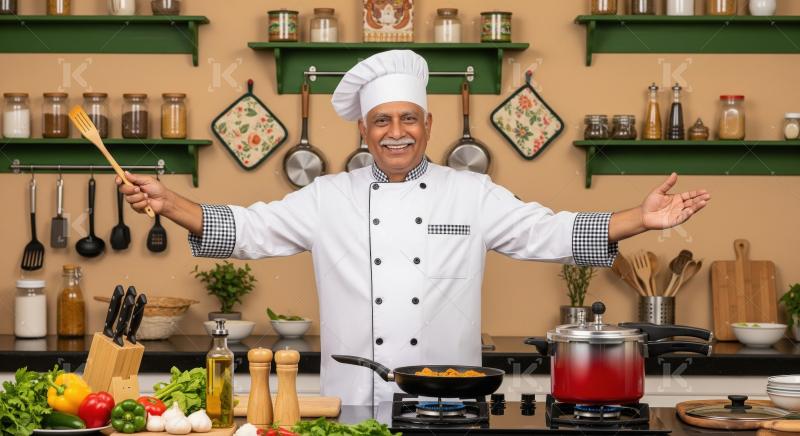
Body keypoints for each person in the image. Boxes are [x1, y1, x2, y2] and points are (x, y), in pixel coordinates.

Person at [118, 50, 710, 405]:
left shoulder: (470, 191)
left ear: (428, 125)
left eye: (407, 118)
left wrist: (641, 218)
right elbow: (247, 229)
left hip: (447, 401)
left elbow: (549, 233)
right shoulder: (326, 196)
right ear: (363, 131)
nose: (394, 131)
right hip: (348, 402)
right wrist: (171, 202)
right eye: (381, 120)